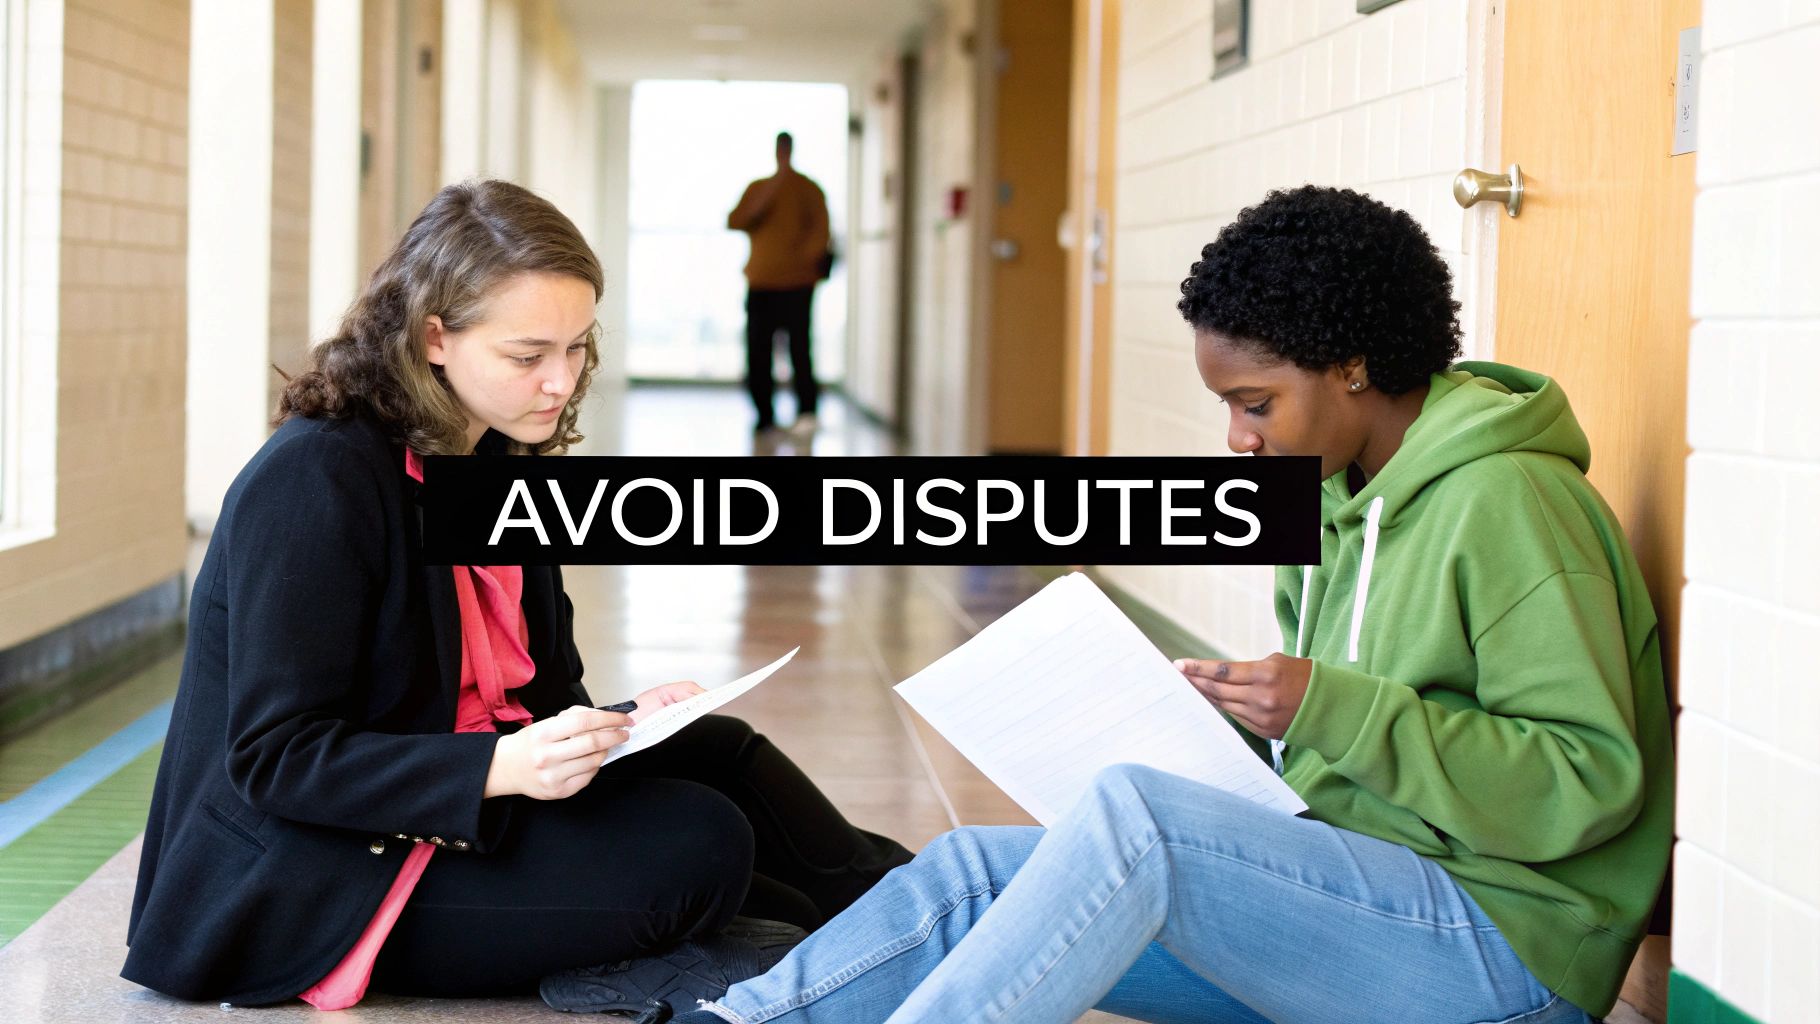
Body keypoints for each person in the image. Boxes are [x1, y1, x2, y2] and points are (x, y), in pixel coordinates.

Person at [667, 185, 1674, 1024]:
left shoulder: (1511, 503)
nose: (1237, 439)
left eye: (1254, 404)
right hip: (1359, 905)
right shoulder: (1326, 502)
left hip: (1503, 960)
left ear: (1353, 365)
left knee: (1134, 818)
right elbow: (1342, 769)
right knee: (977, 869)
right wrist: (1241, 741)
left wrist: (1329, 706)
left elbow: (1588, 781)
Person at [121, 180, 909, 1011]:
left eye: (576, 348)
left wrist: (623, 723)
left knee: (719, 753)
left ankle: (923, 900)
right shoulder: (318, 479)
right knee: (702, 847)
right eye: (528, 356)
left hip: (447, 807)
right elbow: (278, 760)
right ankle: (771, 937)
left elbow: (534, 693)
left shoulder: (496, 461)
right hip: (317, 871)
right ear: (434, 337)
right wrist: (505, 762)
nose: (561, 382)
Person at [727, 131, 830, 436]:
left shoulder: (808, 190)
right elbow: (736, 220)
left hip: (798, 284)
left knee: (800, 350)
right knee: (758, 351)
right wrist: (773, 187)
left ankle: (807, 412)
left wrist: (804, 265)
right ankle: (764, 415)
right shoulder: (759, 188)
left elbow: (821, 233)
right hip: (761, 282)